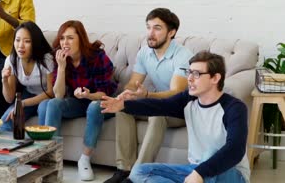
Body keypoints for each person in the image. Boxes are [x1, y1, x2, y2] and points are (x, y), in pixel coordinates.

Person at [101, 51, 250, 183]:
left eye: (197, 74)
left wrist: (200, 173)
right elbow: (160, 106)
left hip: (230, 174)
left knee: (210, 153)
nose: (190, 79)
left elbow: (235, 150)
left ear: (215, 78)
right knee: (140, 171)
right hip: (193, 172)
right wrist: (123, 105)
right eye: (189, 72)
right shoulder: (189, 100)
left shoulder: (234, 108)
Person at [105, 8, 193, 183]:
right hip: (157, 104)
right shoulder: (145, 52)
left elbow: (176, 94)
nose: (150, 33)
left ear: (172, 32)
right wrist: (123, 97)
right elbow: (133, 83)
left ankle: (139, 173)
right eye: (148, 27)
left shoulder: (183, 56)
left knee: (157, 115)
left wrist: (147, 94)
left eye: (157, 28)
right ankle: (124, 169)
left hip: (179, 109)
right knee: (123, 109)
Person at [39, 20, 117, 181]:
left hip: (101, 101)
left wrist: (89, 95)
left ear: (81, 39)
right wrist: (61, 68)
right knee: (52, 104)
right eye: (62, 38)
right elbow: (58, 95)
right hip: (77, 102)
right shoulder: (61, 58)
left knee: (94, 107)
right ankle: (52, 159)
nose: (64, 43)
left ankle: (85, 160)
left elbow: (105, 93)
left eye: (70, 38)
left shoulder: (98, 57)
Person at [0, 21, 54, 131]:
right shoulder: (11, 60)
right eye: (17, 40)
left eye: (27, 41)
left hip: (47, 98)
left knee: (43, 113)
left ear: (35, 43)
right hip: (29, 95)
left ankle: (43, 147)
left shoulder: (47, 59)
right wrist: (4, 80)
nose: (20, 46)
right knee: (4, 123)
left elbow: (51, 93)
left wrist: (22, 103)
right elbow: (9, 98)